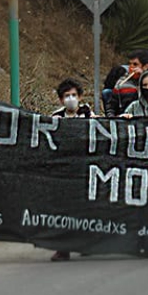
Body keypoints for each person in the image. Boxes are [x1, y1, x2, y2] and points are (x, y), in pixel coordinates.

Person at [50, 78, 96, 262]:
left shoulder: (87, 114)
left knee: (86, 207)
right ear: (61, 100)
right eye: (67, 96)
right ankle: (63, 247)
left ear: (80, 97)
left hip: (85, 167)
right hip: (64, 169)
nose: (71, 99)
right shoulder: (56, 117)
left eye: (74, 95)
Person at [105, 50, 148, 117]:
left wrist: (143, 77)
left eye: (135, 64)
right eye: (130, 64)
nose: (131, 67)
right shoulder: (122, 83)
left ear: (145, 66)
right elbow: (111, 106)